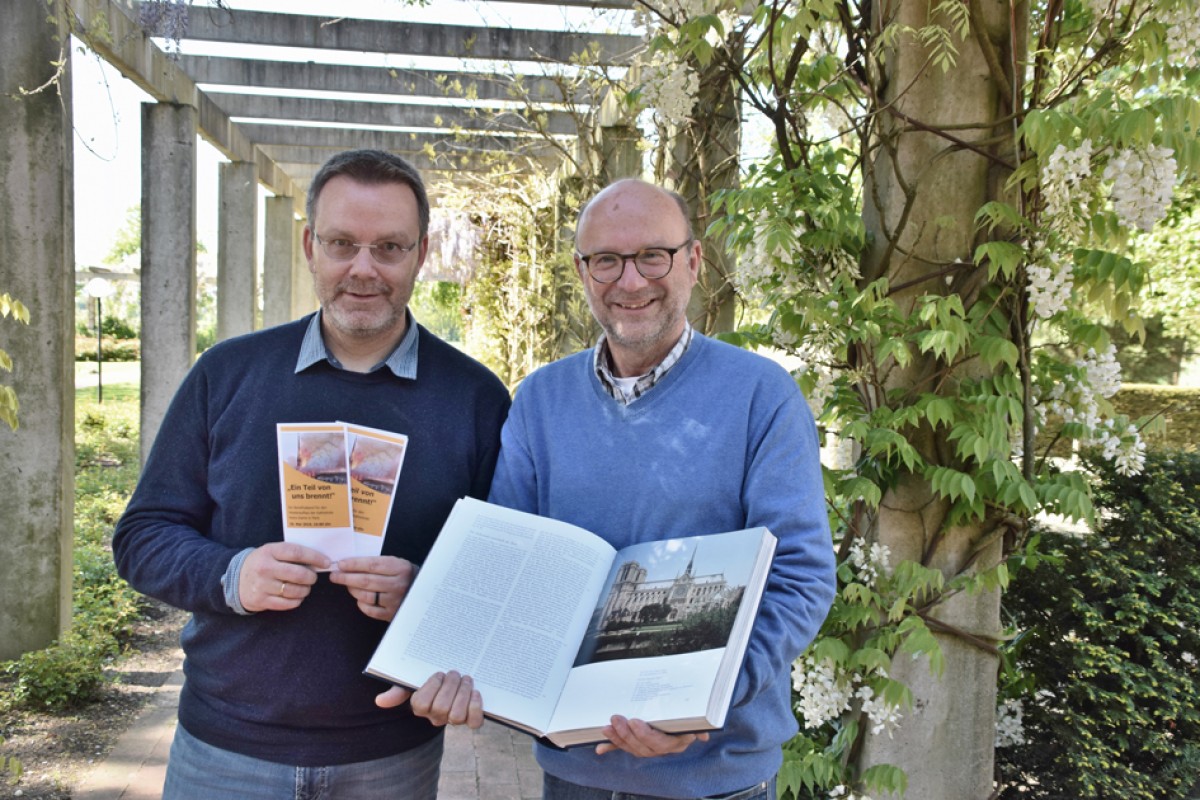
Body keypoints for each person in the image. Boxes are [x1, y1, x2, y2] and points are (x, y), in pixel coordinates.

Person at [381, 178, 836, 800]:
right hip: (574, 775)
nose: (630, 281)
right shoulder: (541, 399)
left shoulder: (762, 397)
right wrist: (453, 666)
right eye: (606, 261)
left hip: (714, 777)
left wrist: (702, 706)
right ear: (581, 271)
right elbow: (508, 568)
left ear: (694, 261)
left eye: (654, 255)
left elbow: (800, 577)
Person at [112, 149, 511, 800]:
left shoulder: (476, 399)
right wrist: (233, 575)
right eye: (341, 244)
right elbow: (143, 536)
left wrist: (425, 593)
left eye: (388, 247)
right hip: (226, 748)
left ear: (421, 252)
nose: (363, 268)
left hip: (390, 754)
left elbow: (502, 579)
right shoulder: (228, 374)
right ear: (309, 246)